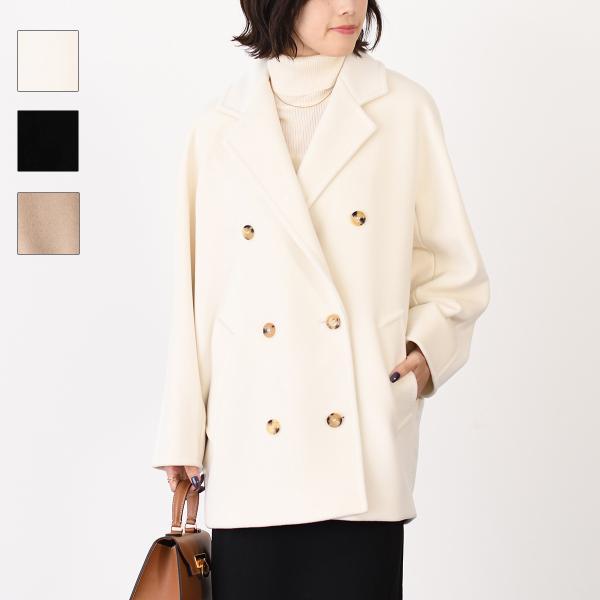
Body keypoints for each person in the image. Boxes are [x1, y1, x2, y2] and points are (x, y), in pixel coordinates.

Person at [151, 1, 491, 598]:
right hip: (254, 447)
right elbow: (196, 295)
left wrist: (421, 359)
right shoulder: (218, 128)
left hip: (359, 446)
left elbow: (453, 272)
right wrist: (183, 430)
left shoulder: (403, 109)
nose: (349, 6)